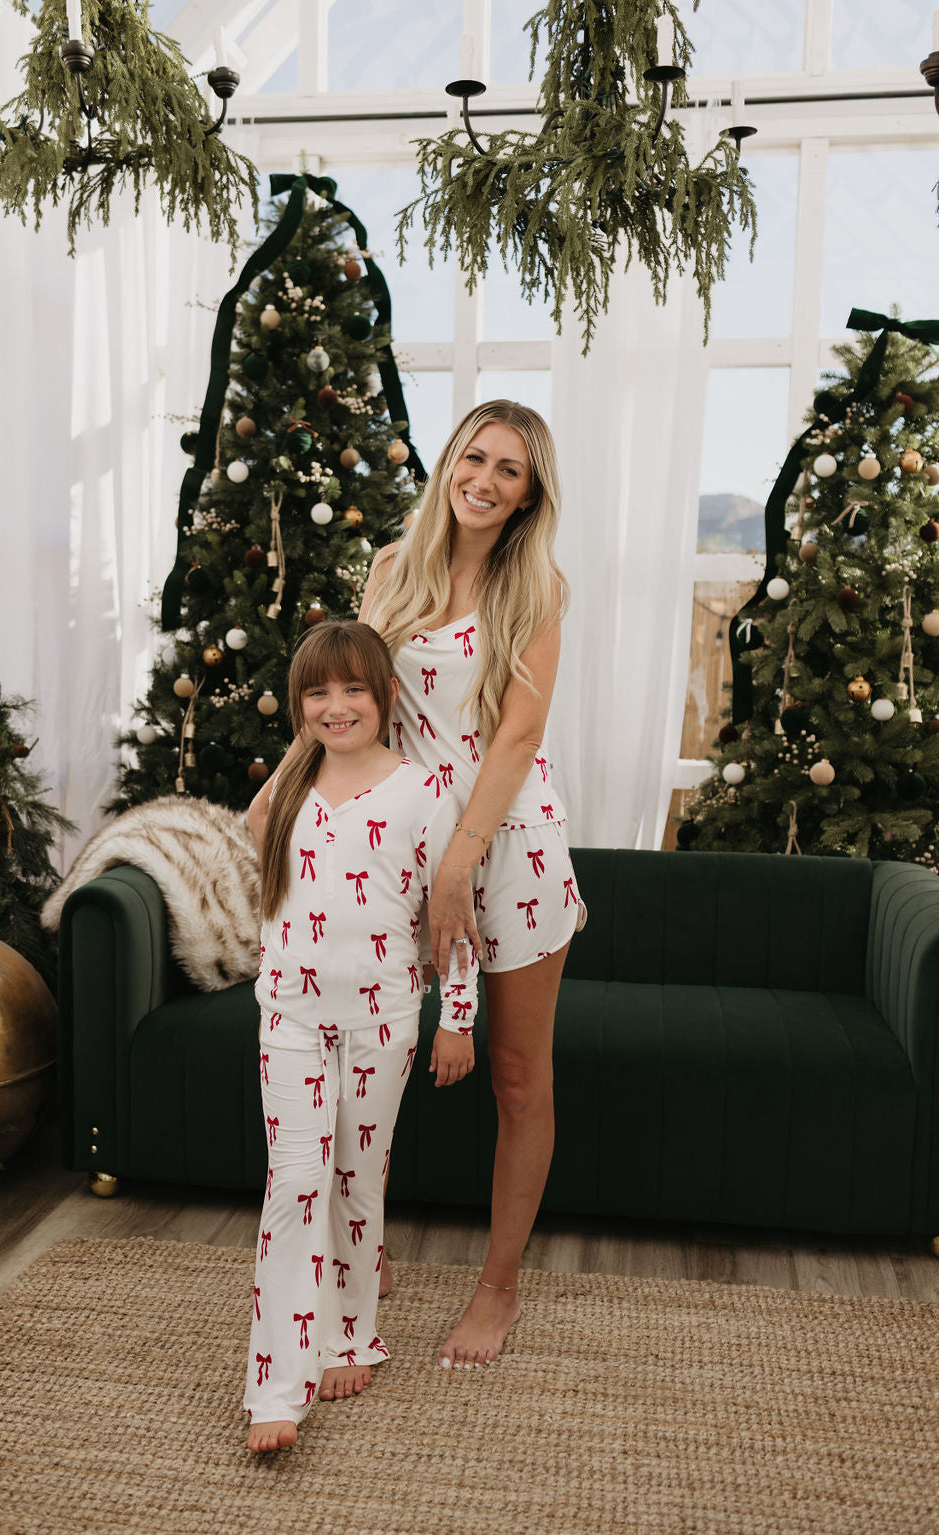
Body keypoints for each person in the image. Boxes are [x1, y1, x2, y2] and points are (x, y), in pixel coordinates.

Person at [360, 398, 582, 1371]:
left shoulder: (536, 589)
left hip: (511, 848)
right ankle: (363, 1247)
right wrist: (282, 790)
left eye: (509, 472)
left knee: (517, 1075)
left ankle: (498, 1286)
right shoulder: (389, 569)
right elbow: (351, 698)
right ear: (451, 459)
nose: (484, 480)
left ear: (529, 497)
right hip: (402, 842)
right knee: (372, 1051)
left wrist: (460, 865)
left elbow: (518, 736)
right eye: (475, 457)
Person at [242, 620, 477, 1454]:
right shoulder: (285, 791)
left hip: (382, 1018)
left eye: (353, 690)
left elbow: (452, 919)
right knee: (295, 1182)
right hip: (292, 1016)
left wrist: (458, 1017)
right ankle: (274, 1383)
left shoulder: (422, 792)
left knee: (356, 1176)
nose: (335, 706)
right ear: (300, 705)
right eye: (317, 692)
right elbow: (263, 862)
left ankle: (348, 1336)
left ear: (384, 699)